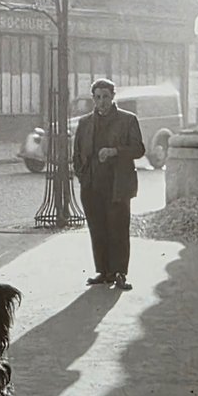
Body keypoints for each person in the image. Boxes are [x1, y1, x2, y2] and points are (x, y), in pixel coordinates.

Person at [72, 78, 145, 291]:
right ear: (93, 99)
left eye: (105, 97)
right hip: (92, 185)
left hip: (117, 185)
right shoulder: (85, 123)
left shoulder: (128, 120)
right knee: (98, 228)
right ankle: (103, 272)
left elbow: (139, 149)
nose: (101, 102)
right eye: (97, 97)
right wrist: (83, 177)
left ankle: (120, 273)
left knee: (118, 229)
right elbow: (77, 154)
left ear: (113, 97)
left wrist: (115, 151)